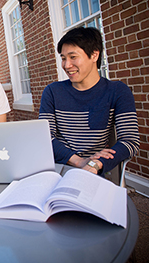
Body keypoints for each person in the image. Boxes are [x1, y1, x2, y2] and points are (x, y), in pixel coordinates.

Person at [39, 27, 139, 175]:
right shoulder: (52, 92)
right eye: (63, 58)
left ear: (94, 55)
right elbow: (44, 137)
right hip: (56, 169)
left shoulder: (117, 91)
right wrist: (78, 161)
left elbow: (130, 141)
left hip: (93, 171)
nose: (66, 65)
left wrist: (95, 164)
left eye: (73, 57)